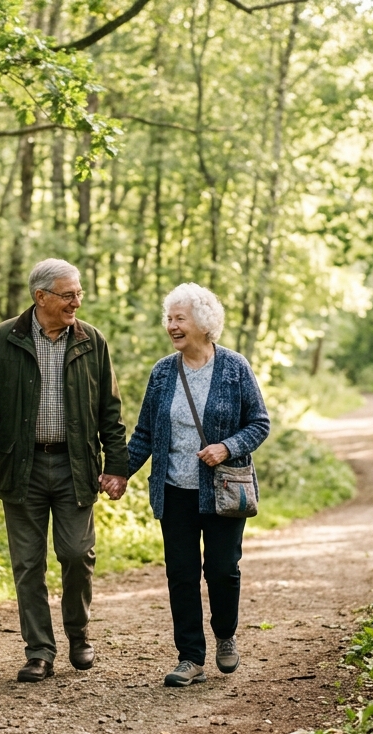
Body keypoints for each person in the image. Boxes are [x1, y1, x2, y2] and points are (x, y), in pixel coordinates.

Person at [0, 259, 130, 683]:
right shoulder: (4, 338)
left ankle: (78, 633)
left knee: (77, 554)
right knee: (27, 563)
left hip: (76, 465)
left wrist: (117, 466)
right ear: (41, 297)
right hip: (22, 466)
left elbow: (110, 411)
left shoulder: (92, 341)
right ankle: (39, 650)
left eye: (79, 294)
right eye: (68, 295)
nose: (77, 302)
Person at [126, 283, 271, 687]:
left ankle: (225, 634)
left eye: (180, 318)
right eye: (169, 318)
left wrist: (227, 447)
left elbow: (259, 423)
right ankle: (190, 657)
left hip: (223, 491)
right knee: (182, 574)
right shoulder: (162, 372)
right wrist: (118, 472)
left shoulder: (234, 367)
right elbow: (144, 433)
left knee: (222, 570)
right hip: (174, 491)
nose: (171, 326)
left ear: (204, 324)